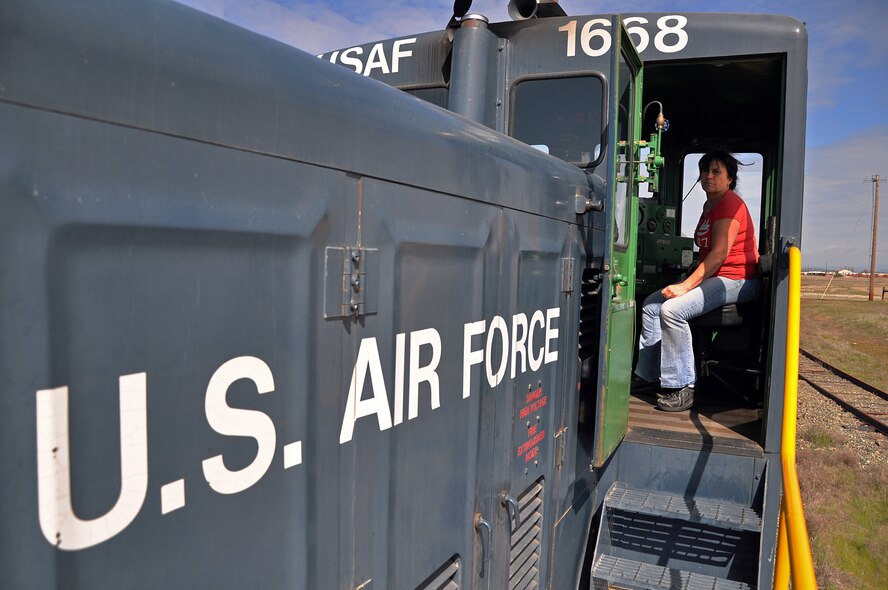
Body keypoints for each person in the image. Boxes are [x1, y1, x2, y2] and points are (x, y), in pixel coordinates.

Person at [633, 151, 760, 411]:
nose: (708, 176)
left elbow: (719, 253)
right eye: (704, 171)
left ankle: (683, 386)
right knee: (651, 305)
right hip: (716, 275)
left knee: (671, 310)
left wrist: (685, 286)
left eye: (716, 172)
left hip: (737, 279)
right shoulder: (709, 206)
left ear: (729, 179)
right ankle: (650, 376)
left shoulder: (730, 204)